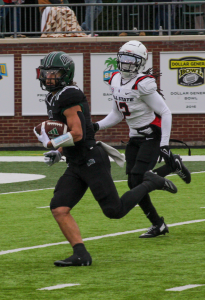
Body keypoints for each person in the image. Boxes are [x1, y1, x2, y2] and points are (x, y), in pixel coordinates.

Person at [33, 51, 177, 267]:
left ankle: (151, 182)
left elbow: (78, 133)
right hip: (76, 162)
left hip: (91, 159)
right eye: (46, 72)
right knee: (59, 208)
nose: (48, 77)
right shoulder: (54, 95)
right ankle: (81, 254)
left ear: (65, 74)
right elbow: (72, 135)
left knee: (114, 211)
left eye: (53, 73)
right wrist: (59, 152)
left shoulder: (69, 95)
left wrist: (53, 143)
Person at [93, 40, 191, 238]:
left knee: (140, 177)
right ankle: (158, 224)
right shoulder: (114, 79)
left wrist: (164, 144)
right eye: (125, 58)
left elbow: (165, 112)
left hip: (152, 136)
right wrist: (96, 126)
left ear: (141, 62)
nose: (127, 63)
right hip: (135, 137)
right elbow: (118, 115)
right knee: (133, 182)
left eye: (132, 60)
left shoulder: (143, 83)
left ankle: (170, 167)